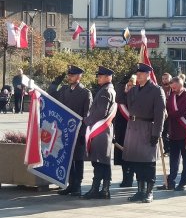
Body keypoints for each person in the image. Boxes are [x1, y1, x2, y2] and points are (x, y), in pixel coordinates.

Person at [122, 63, 166, 203]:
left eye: (141, 73)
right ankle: (140, 191)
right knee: (136, 163)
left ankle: (149, 192)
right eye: (137, 73)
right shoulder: (134, 90)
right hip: (133, 128)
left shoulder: (156, 90)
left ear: (148, 74)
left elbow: (160, 115)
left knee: (148, 163)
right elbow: (121, 100)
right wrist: (123, 81)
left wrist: (156, 133)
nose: (138, 75)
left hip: (147, 128)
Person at [53, 65, 93, 196]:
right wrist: (55, 83)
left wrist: (83, 133)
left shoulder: (85, 93)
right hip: (65, 131)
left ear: (79, 76)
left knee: (77, 159)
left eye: (72, 75)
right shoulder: (64, 90)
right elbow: (53, 97)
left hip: (78, 132)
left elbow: (87, 115)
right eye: (69, 75)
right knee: (67, 159)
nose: (69, 77)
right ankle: (70, 184)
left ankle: (77, 185)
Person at [82, 66, 116, 200]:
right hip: (104, 131)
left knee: (99, 162)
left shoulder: (105, 91)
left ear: (108, 77)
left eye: (100, 76)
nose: (98, 78)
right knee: (103, 162)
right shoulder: (108, 90)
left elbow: (101, 112)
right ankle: (104, 190)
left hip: (100, 131)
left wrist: (87, 120)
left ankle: (96, 189)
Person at [158, 77, 186, 191]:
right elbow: (167, 109)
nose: (172, 89)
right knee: (173, 159)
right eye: (171, 87)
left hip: (184, 133)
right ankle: (170, 181)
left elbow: (180, 112)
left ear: (180, 84)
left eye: (174, 86)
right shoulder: (172, 96)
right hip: (173, 132)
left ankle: (184, 182)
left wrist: (167, 114)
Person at [113, 74, 136, 187]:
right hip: (121, 129)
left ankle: (130, 178)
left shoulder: (136, 97)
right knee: (122, 154)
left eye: (132, 85)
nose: (129, 87)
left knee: (131, 156)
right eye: (128, 85)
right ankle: (125, 178)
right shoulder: (122, 97)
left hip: (132, 129)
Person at [161, 73, 172, 155]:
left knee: (170, 132)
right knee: (164, 132)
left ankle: (171, 149)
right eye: (163, 78)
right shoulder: (160, 88)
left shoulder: (173, 88)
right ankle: (167, 149)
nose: (165, 80)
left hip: (172, 113)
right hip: (163, 113)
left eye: (166, 78)